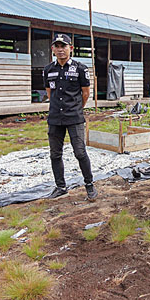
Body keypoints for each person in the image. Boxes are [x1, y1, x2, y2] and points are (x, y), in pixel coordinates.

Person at [43, 33, 97, 200]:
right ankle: (60, 186)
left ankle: (89, 185)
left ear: (70, 49)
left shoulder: (80, 69)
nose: (60, 50)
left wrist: (76, 108)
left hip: (74, 117)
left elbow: (86, 93)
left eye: (64, 46)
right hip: (55, 118)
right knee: (55, 154)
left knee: (80, 152)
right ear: (53, 49)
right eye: (57, 46)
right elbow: (49, 92)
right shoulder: (48, 70)